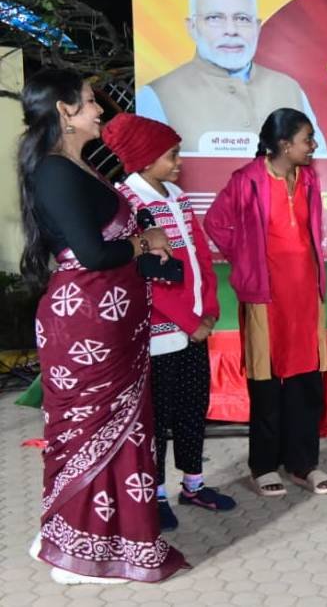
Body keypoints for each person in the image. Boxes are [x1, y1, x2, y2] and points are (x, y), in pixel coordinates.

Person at [18, 68, 186, 584]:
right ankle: (75, 547)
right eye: (91, 101)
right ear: (64, 111)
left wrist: (146, 240)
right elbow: (93, 254)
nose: (99, 109)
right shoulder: (54, 171)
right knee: (87, 433)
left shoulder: (81, 165)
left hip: (112, 321)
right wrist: (144, 243)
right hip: (85, 323)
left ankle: (106, 538)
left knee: (121, 431)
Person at [103, 113, 236, 531]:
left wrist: (209, 309)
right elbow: (143, 278)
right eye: (172, 155)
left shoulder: (177, 196)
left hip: (195, 327)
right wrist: (187, 321)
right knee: (157, 419)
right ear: (145, 160)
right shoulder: (127, 202)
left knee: (192, 409)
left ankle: (193, 485)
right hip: (159, 334)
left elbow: (201, 256)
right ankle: (155, 493)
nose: (179, 163)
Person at [203, 108, 327, 496]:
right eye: (307, 139)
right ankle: (263, 466)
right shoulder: (246, 179)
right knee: (267, 382)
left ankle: (303, 463)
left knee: (306, 380)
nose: (313, 146)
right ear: (284, 144)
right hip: (265, 296)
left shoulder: (308, 178)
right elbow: (215, 223)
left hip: (306, 295)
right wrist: (246, 258)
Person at [136, 0, 327, 155]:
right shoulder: (158, 95)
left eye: (242, 19)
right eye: (215, 18)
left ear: (257, 27)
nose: (231, 30)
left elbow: (319, 162)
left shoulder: (288, 88)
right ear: (192, 27)